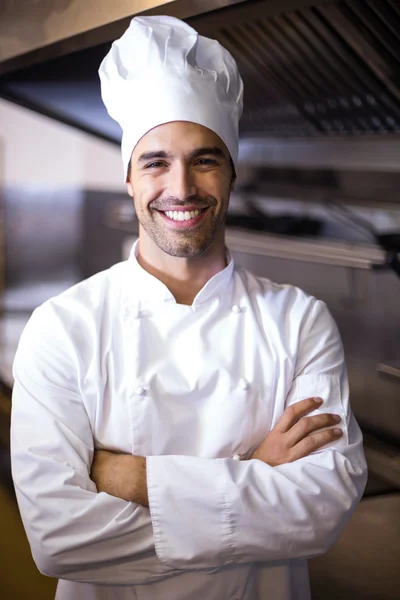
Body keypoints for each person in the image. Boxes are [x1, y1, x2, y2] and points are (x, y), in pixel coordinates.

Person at [10, 15, 367, 600]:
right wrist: (256, 474)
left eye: (204, 159)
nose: (181, 187)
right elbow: (59, 540)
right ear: (128, 177)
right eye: (156, 162)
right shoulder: (63, 327)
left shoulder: (299, 322)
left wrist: (133, 477)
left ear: (230, 173)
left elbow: (321, 511)